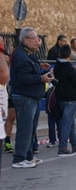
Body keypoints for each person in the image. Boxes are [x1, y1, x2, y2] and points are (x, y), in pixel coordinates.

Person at [9, 27, 54, 168]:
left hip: (32, 97)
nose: (37, 41)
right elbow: (24, 77)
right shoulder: (21, 55)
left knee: (31, 128)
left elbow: (30, 68)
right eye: (34, 38)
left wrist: (40, 66)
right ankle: (19, 159)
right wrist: (42, 78)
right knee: (25, 128)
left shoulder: (28, 54)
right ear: (25, 40)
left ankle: (28, 156)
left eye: (38, 38)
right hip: (24, 97)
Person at [54, 44, 76, 156]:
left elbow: (63, 72)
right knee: (67, 123)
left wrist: (73, 68)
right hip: (71, 99)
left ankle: (75, 145)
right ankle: (63, 147)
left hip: (60, 97)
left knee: (70, 123)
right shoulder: (69, 69)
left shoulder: (57, 66)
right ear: (69, 55)